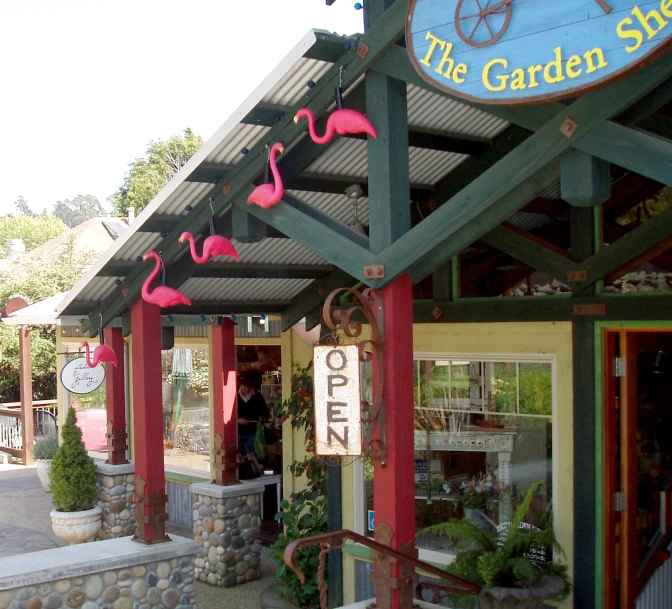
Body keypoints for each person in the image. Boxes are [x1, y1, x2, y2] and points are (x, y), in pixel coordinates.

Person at [237, 375, 270, 473]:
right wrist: (238, 420)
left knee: (254, 455)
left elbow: (265, 413)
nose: (245, 389)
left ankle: (255, 473)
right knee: (240, 457)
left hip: (253, 432)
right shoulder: (234, 396)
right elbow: (227, 414)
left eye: (247, 386)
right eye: (243, 386)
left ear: (251, 386)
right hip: (238, 431)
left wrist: (263, 418)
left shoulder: (257, 396)